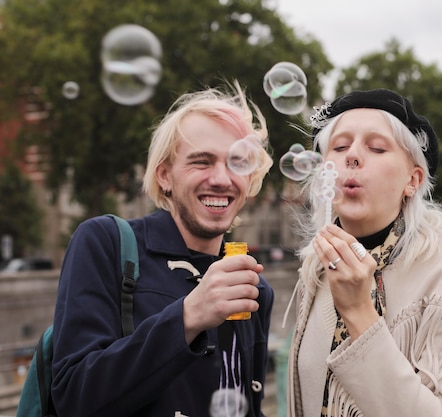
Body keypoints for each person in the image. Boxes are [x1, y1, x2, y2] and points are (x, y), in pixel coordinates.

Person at [51, 82, 275, 417]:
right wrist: (187, 318)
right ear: (165, 176)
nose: (221, 178)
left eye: (237, 163)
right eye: (201, 161)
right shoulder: (105, 243)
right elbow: (72, 396)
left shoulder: (255, 289)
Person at [286, 89, 442, 417]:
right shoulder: (318, 270)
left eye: (376, 148)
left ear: (413, 180)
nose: (353, 156)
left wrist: (360, 313)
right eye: (340, 146)